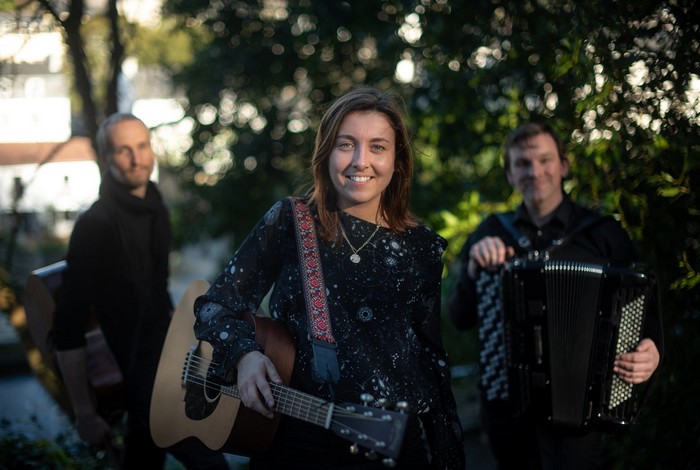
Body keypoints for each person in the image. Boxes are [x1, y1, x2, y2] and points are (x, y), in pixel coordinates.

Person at [191, 87, 466, 469]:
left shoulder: (422, 248)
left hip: (393, 446)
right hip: (295, 442)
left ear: (397, 160)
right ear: (326, 152)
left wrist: (449, 457)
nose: (360, 161)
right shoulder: (291, 220)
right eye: (346, 144)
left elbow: (431, 361)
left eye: (378, 147)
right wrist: (245, 355)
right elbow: (215, 306)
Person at [448, 122, 663, 469]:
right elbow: (459, 318)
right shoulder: (489, 233)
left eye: (545, 160)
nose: (535, 171)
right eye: (522, 163)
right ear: (509, 173)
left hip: (582, 413)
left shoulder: (604, 234)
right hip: (508, 411)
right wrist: (473, 269)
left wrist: (651, 348)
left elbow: (644, 313)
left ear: (563, 165)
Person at [51, 113, 228, 469]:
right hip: (127, 375)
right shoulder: (93, 226)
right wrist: (84, 414)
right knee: (210, 463)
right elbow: (67, 328)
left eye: (142, 146)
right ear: (105, 159)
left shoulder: (157, 208)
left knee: (142, 460)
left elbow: (157, 293)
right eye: (123, 150)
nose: (137, 158)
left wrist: (187, 347)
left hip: (165, 362)